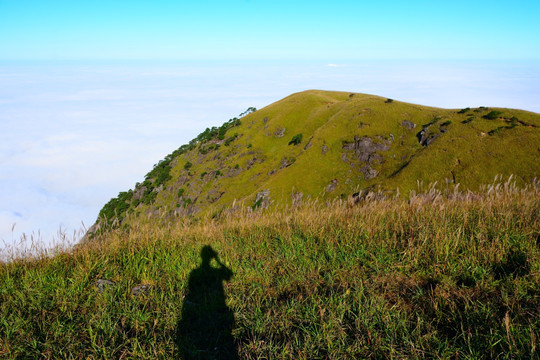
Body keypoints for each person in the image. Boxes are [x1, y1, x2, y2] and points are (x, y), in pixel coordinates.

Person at [176, 245, 238, 359]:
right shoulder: (208, 272)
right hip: (213, 306)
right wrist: (218, 261)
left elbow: (229, 275)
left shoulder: (195, 272)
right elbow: (229, 274)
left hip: (203, 308)